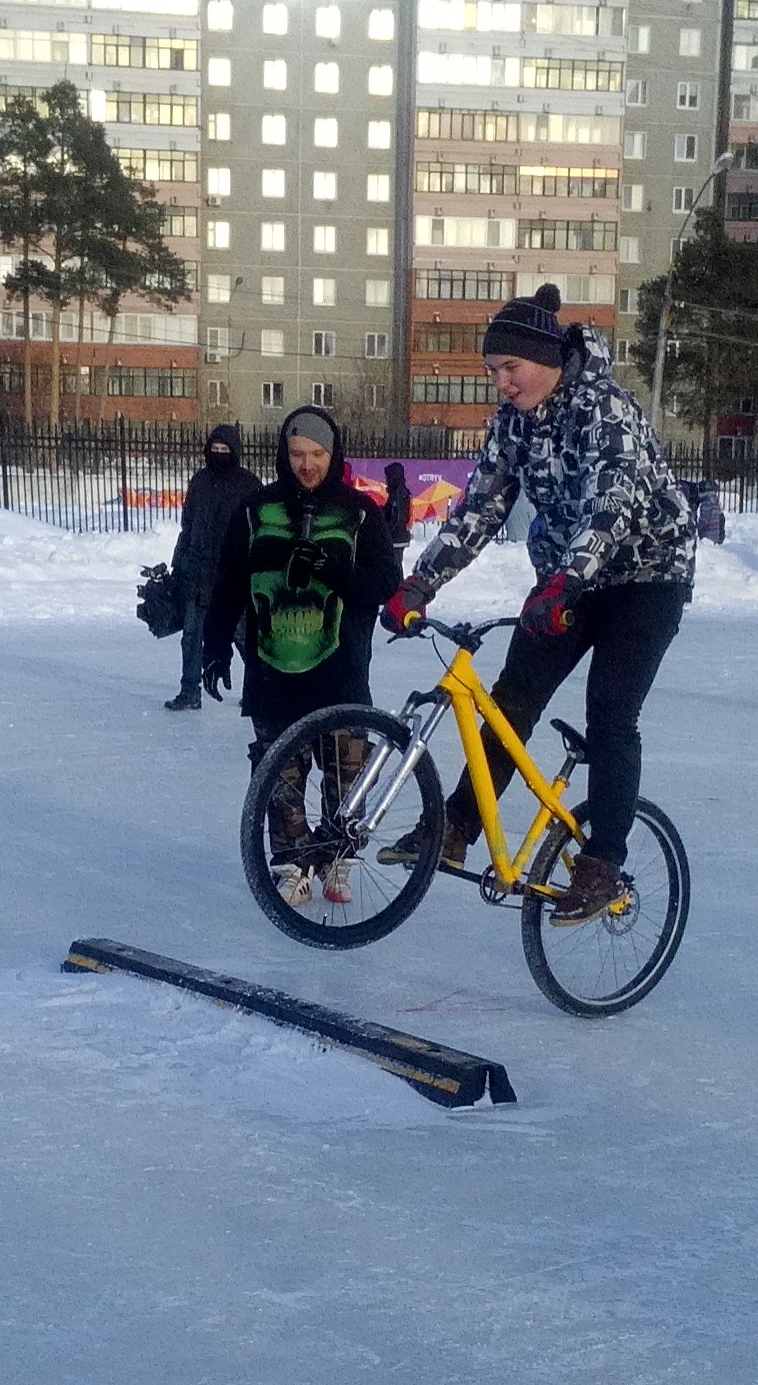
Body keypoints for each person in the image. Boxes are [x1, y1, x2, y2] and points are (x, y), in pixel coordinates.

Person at [376, 283, 695, 927]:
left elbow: (615, 506)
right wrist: (421, 583)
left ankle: (603, 861)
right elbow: (481, 507)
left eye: (509, 369)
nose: (501, 383)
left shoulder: (607, 410)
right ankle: (456, 828)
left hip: (646, 577)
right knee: (512, 698)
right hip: (566, 580)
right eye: (492, 371)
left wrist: (565, 579)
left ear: (546, 360)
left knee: (610, 712)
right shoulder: (515, 423)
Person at [207, 407, 398, 905]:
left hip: (341, 671)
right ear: (282, 454)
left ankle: (338, 856)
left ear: (333, 454)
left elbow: (385, 585)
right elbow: (228, 584)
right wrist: (214, 646)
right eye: (296, 454)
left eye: (316, 454)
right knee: (281, 778)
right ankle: (293, 862)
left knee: (344, 772)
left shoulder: (360, 512)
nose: (306, 464)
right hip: (273, 673)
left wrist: (336, 570)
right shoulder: (254, 510)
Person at [163, 424, 260, 711]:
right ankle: (189, 691)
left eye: (224, 450)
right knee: (192, 636)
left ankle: (257, 690)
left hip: (234, 577)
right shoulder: (200, 481)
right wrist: (179, 564)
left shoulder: (249, 485)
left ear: (235, 452)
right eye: (214, 449)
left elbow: (259, 532)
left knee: (243, 637)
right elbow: (188, 526)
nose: (218, 454)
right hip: (199, 573)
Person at [381, 461, 414, 573]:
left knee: (395, 566)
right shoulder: (399, 492)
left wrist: (387, 530)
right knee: (395, 564)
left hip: (396, 536)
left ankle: (398, 588)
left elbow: (397, 516)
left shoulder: (398, 494)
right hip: (399, 535)